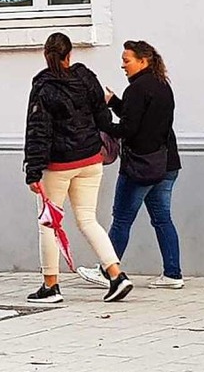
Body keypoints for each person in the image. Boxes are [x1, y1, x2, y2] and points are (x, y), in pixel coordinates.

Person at [23, 32, 133, 303]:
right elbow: (102, 116)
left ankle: (51, 286)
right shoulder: (86, 78)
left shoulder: (43, 85)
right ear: (70, 54)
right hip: (90, 160)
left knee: (49, 223)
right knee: (87, 219)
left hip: (59, 164)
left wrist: (33, 171)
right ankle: (116, 275)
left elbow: (38, 130)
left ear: (46, 54)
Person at [77, 41, 183, 289]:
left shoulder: (138, 89)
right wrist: (114, 101)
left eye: (127, 60)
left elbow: (127, 128)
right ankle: (172, 274)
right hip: (166, 164)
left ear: (143, 61)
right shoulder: (161, 85)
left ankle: (107, 271)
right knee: (162, 219)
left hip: (141, 167)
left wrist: (101, 122)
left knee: (122, 218)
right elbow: (139, 117)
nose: (122, 65)